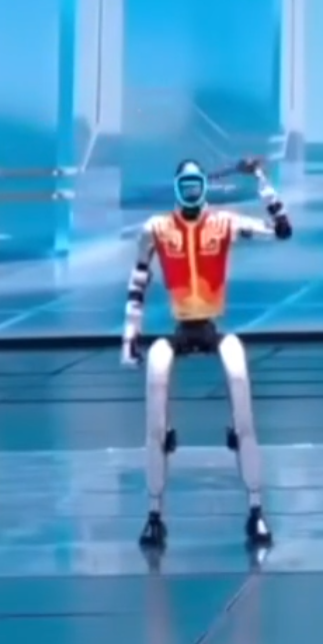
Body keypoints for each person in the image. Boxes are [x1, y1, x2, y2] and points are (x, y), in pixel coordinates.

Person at [122, 158, 294, 548]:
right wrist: (130, 335)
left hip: (212, 328)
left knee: (241, 398)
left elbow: (281, 230)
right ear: (177, 187)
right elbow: (138, 282)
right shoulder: (156, 229)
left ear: (203, 186)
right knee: (155, 406)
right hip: (178, 329)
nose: (191, 192)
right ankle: (154, 513)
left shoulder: (224, 223)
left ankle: (256, 508)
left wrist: (261, 180)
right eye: (185, 185)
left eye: (196, 184)